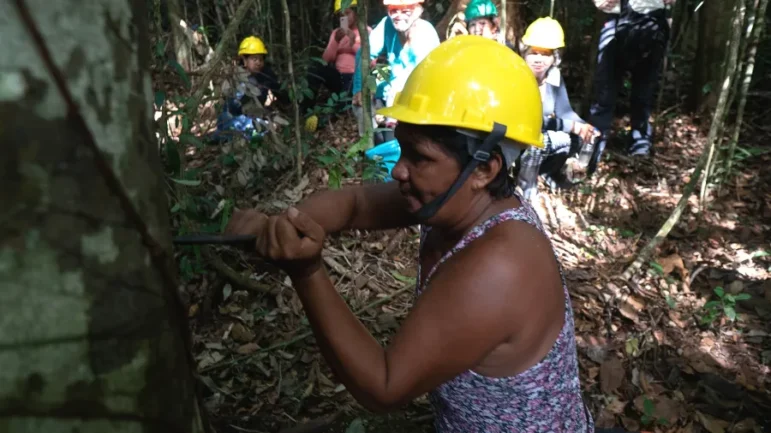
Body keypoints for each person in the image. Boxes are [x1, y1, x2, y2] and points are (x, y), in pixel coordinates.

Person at [225, 35, 594, 432]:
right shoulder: (453, 201)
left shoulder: (501, 265)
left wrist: (306, 271)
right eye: (402, 150)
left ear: (485, 169)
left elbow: (385, 386)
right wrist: (281, 224)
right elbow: (354, 206)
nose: (400, 170)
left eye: (419, 157)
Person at [587, 0, 674, 174]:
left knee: (644, 92)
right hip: (615, 17)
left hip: (653, 20)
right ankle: (592, 149)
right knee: (604, 91)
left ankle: (640, 151)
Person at [517, 17, 599, 200]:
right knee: (538, 142)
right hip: (515, 140)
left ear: (555, 57)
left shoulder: (553, 77)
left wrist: (584, 128)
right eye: (534, 52)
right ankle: (526, 194)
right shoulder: (517, 75)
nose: (539, 59)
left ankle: (556, 178)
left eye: (545, 54)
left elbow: (565, 112)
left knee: (569, 140)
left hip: (538, 139)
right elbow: (531, 121)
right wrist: (572, 127)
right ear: (524, 53)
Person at [351, 0, 440, 143]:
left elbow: (424, 78)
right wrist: (359, 88)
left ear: (418, 10)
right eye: (393, 10)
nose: (398, 16)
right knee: (361, 106)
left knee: (394, 133)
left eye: (405, 11)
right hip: (391, 92)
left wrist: (394, 100)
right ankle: (373, 150)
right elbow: (364, 53)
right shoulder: (387, 25)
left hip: (417, 99)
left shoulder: (426, 34)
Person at [301, 0, 371, 128]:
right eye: (341, 15)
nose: (344, 18)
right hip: (338, 77)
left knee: (340, 106)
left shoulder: (366, 31)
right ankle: (307, 113)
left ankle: (323, 120)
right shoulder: (336, 33)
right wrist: (336, 41)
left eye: (347, 13)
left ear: (355, 13)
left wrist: (353, 41)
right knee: (315, 69)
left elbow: (371, 61)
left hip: (355, 79)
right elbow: (325, 60)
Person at [215, 36, 283, 141]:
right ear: (244, 60)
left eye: (260, 59)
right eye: (254, 59)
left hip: (253, 118)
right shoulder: (235, 77)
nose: (258, 63)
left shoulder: (264, 75)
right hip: (233, 120)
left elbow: (279, 92)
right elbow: (233, 108)